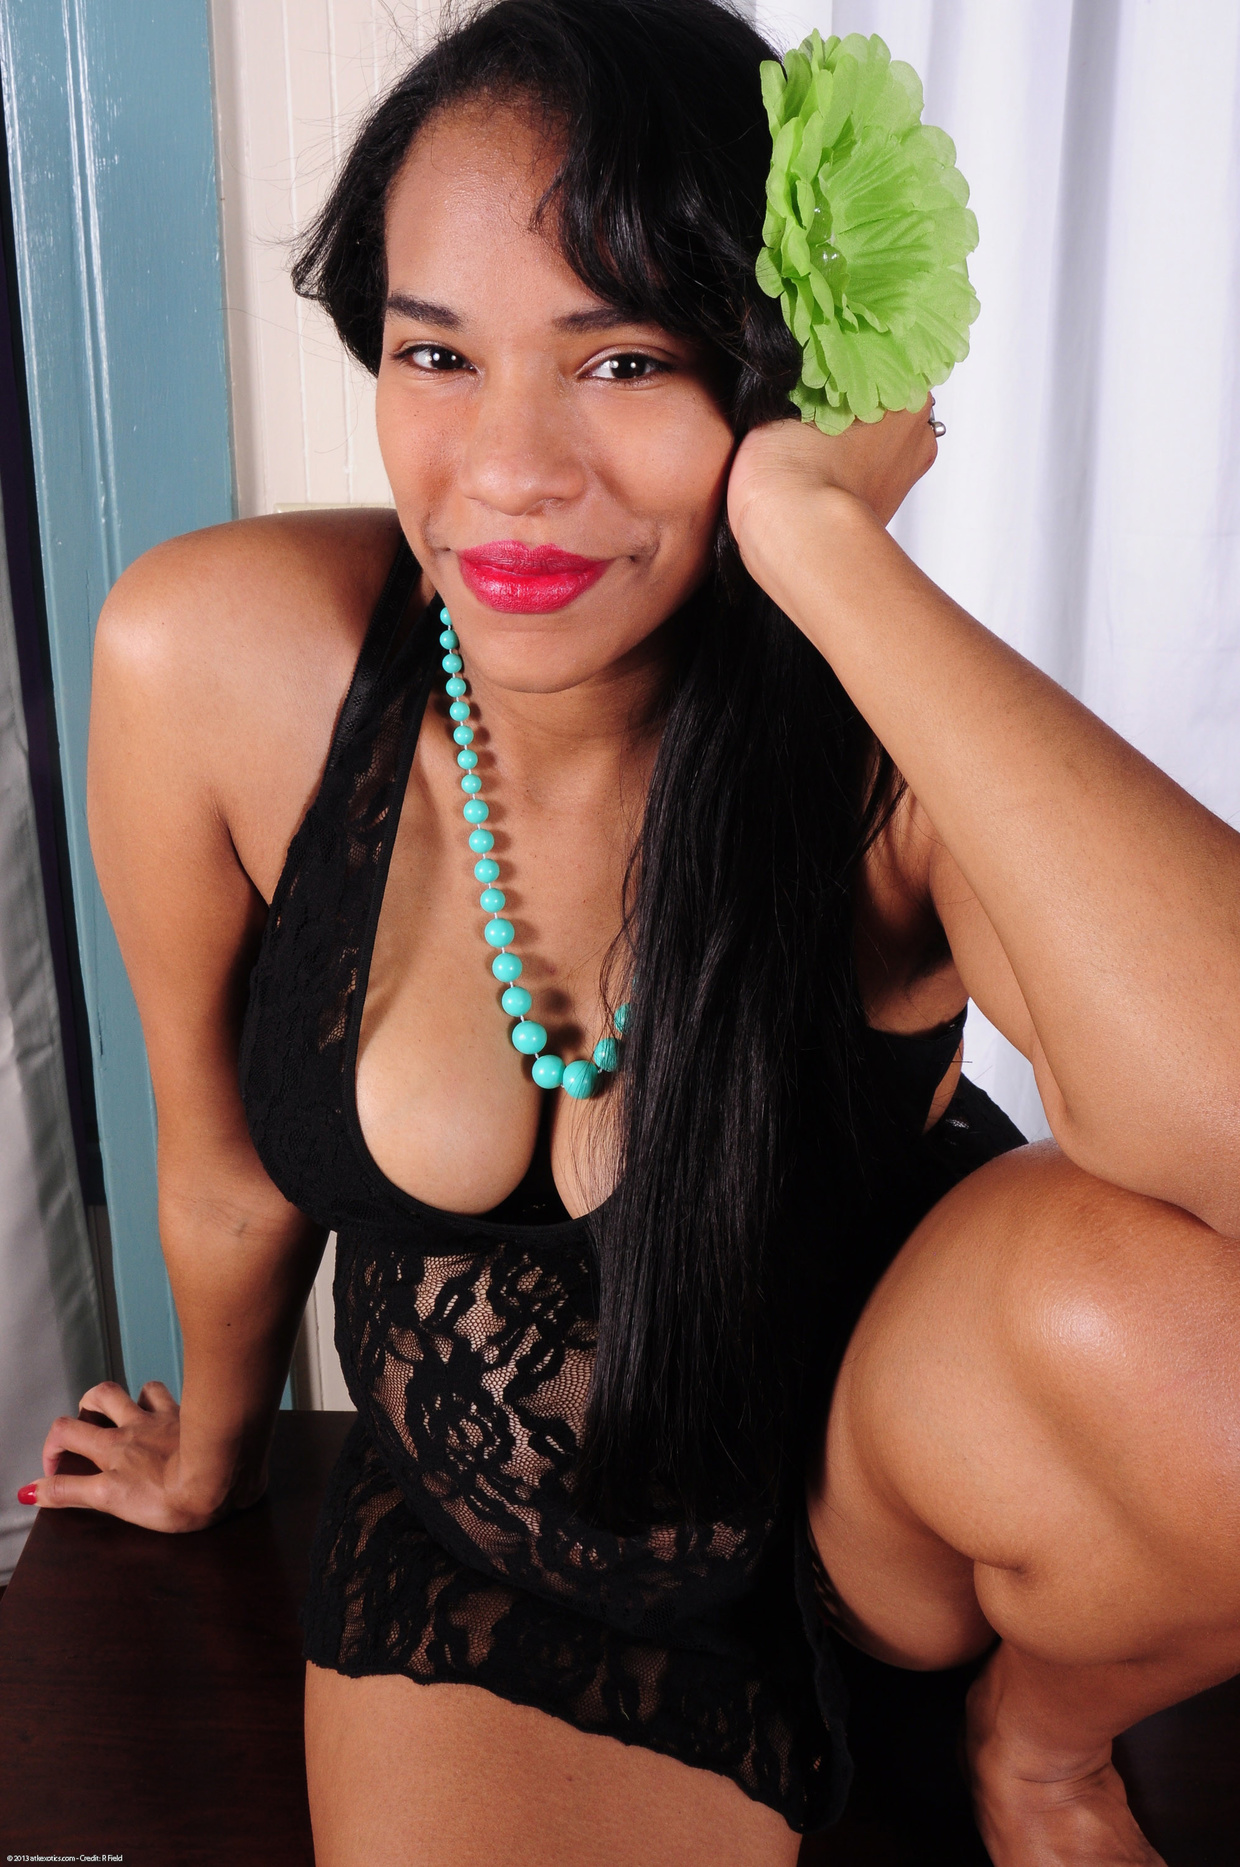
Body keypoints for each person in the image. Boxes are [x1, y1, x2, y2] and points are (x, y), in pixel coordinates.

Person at [22, 1, 1240, 1861]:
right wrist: (211, 1454)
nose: (510, 467)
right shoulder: (222, 658)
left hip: (876, 1522)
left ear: (773, 377)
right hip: (487, 1557)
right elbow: (221, 1164)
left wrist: (822, 548)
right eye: (439, 353)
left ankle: (1043, 1750)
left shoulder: (881, 744)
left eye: (623, 361)